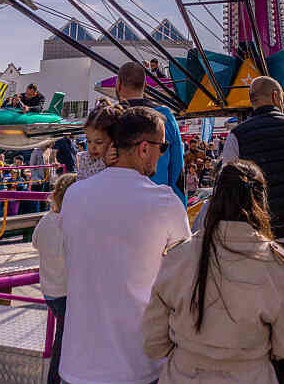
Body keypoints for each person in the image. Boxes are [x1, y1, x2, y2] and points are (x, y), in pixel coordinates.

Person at [59, 106, 190, 384]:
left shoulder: (73, 195)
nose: (162, 153)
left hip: (77, 361)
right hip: (138, 363)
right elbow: (185, 279)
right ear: (144, 148)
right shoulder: (165, 202)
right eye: (162, 146)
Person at [142, 159, 284, 384]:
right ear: (261, 201)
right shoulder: (275, 262)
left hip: (183, 375)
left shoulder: (180, 255)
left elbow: (153, 343)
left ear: (215, 199)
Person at [221, 75, 284, 326]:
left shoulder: (237, 136)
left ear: (252, 101)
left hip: (259, 240)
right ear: (277, 97)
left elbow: (227, 189)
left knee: (263, 314)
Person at [115, 61, 186, 206]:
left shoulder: (111, 116)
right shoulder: (165, 116)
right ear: (145, 86)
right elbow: (177, 169)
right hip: (159, 203)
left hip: (118, 203)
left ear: (119, 85)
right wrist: (180, 210)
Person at [32, 173, 77, 384]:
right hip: (66, 292)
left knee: (62, 337)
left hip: (49, 291)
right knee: (64, 342)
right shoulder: (70, 225)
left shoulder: (46, 220)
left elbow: (35, 243)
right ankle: (56, 379)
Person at [76, 103, 121, 180]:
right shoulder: (85, 158)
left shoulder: (120, 157)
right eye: (89, 141)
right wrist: (103, 163)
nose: (92, 147)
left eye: (99, 142)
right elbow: (83, 180)